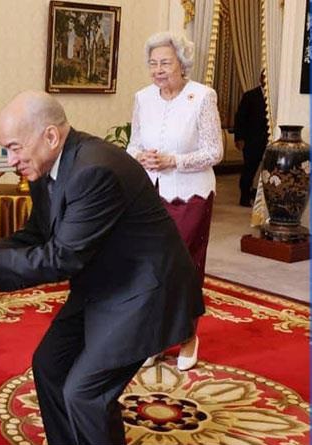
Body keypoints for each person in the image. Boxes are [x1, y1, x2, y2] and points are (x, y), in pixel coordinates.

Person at [0, 90, 204, 445]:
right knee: (49, 366)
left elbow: (62, 257)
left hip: (146, 292)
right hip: (104, 283)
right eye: (5, 149)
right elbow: (37, 235)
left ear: (51, 136)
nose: (10, 161)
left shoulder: (94, 170)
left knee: (84, 393)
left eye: (14, 148)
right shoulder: (47, 166)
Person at [126, 31, 223, 371]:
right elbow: (133, 144)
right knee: (151, 266)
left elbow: (214, 151)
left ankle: (187, 336)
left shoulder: (202, 97)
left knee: (183, 266)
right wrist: (141, 157)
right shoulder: (142, 98)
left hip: (190, 196)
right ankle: (155, 339)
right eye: (153, 63)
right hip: (150, 195)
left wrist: (174, 161)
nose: (158, 70)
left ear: (182, 63)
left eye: (165, 63)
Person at [234, 70, 268, 207]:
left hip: (268, 140)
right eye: (264, 77)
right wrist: (239, 138)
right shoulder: (250, 96)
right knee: (249, 169)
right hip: (252, 140)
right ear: (260, 78)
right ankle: (244, 196)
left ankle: (258, 195)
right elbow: (240, 118)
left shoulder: (275, 96)